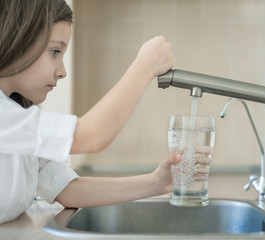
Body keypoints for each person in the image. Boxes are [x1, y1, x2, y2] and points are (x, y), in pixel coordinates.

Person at [0, 0, 179, 224]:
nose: (62, 71)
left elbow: (67, 190)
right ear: (17, 39)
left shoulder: (16, 111)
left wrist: (157, 183)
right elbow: (92, 135)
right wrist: (145, 66)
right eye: (55, 51)